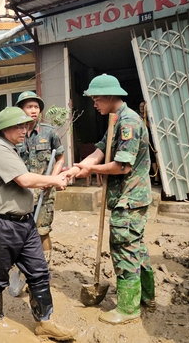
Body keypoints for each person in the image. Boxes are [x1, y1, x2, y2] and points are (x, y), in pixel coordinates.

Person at [60, 74, 156, 324]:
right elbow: (101, 150)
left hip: (129, 198)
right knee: (136, 247)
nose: (94, 104)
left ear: (111, 96)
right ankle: (146, 295)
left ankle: (128, 309)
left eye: (96, 98)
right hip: (127, 198)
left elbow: (121, 166)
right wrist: (78, 167)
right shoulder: (115, 120)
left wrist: (92, 170)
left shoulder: (129, 123)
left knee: (124, 251)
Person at [0, 106, 75, 341]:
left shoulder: (13, 149)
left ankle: (44, 322)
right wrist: (53, 179)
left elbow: (24, 179)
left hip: (25, 223)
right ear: (4, 129)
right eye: (18, 126)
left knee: (39, 272)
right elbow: (23, 179)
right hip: (0, 224)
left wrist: (45, 181)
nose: (24, 130)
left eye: (25, 126)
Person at [15, 91, 64, 263]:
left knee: (42, 230)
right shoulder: (13, 134)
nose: (33, 110)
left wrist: (52, 179)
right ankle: (24, 265)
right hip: (21, 192)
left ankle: (44, 268)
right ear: (21, 110)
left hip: (45, 192)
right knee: (21, 230)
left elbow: (60, 158)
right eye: (29, 107)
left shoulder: (48, 132)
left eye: (36, 107)